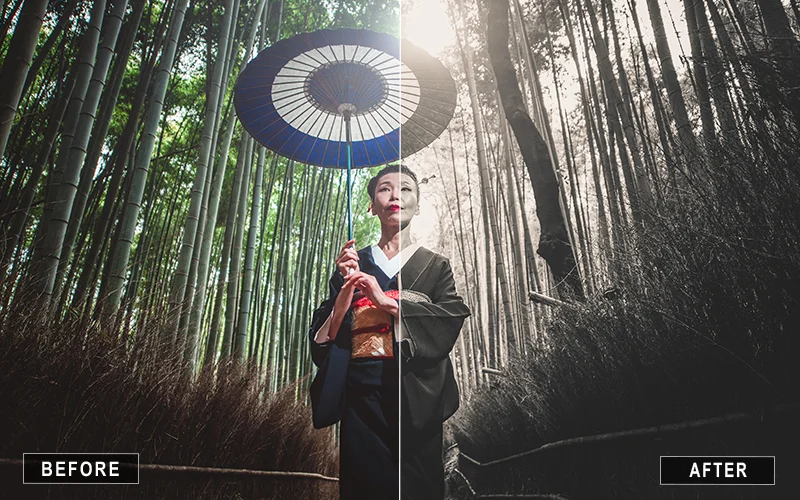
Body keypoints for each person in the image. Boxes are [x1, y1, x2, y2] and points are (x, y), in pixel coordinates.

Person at [308, 164, 471, 499]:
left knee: (419, 490)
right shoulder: (353, 264)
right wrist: (344, 296)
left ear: (418, 204)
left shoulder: (435, 265)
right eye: (385, 188)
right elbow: (322, 341)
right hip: (362, 398)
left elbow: (451, 315)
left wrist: (386, 301)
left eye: (406, 188)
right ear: (371, 205)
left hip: (416, 399)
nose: (395, 195)